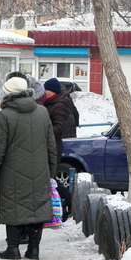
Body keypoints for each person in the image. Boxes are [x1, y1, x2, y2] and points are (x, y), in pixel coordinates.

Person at [0, 77, 55, 260]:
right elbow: (51, 146)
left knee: (13, 207)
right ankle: (33, 249)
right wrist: (51, 171)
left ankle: (13, 249)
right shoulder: (42, 112)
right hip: (40, 170)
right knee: (37, 207)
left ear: (8, 93)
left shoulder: (5, 115)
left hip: (11, 172)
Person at [43, 78, 74, 219]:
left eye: (47, 90)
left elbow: (59, 127)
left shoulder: (59, 105)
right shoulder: (51, 103)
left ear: (53, 91)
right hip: (50, 144)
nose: (45, 92)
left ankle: (69, 201)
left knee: (50, 178)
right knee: (51, 178)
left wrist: (44, 131)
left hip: (53, 146)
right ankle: (66, 203)